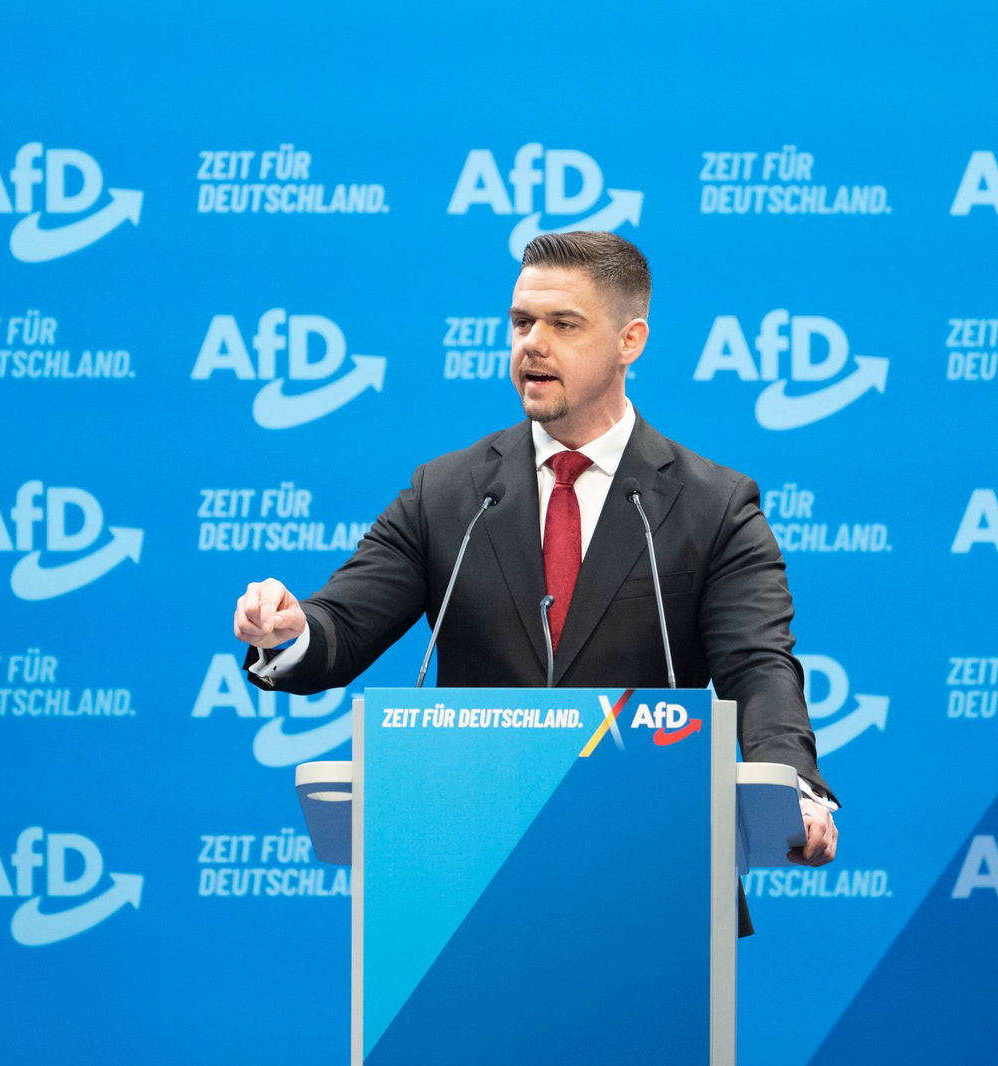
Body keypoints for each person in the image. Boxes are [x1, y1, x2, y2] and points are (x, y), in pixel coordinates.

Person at [233, 232, 838, 893]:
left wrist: (792, 784)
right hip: (466, 873)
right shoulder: (449, 492)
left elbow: (758, 666)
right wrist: (291, 631)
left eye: (563, 324)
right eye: (522, 322)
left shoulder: (712, 505)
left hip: (649, 869)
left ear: (630, 341)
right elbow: (341, 629)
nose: (532, 344)